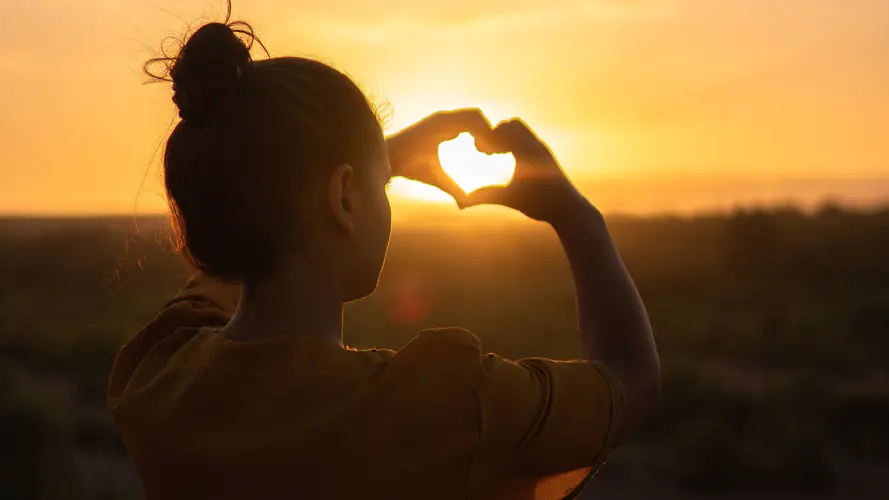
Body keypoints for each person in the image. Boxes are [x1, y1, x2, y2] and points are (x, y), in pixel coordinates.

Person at [107, 13, 660, 500]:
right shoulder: (443, 407)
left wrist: (370, 159)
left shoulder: (158, 380)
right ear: (344, 197)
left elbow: (241, 248)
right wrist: (577, 215)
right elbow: (629, 380)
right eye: (382, 185)